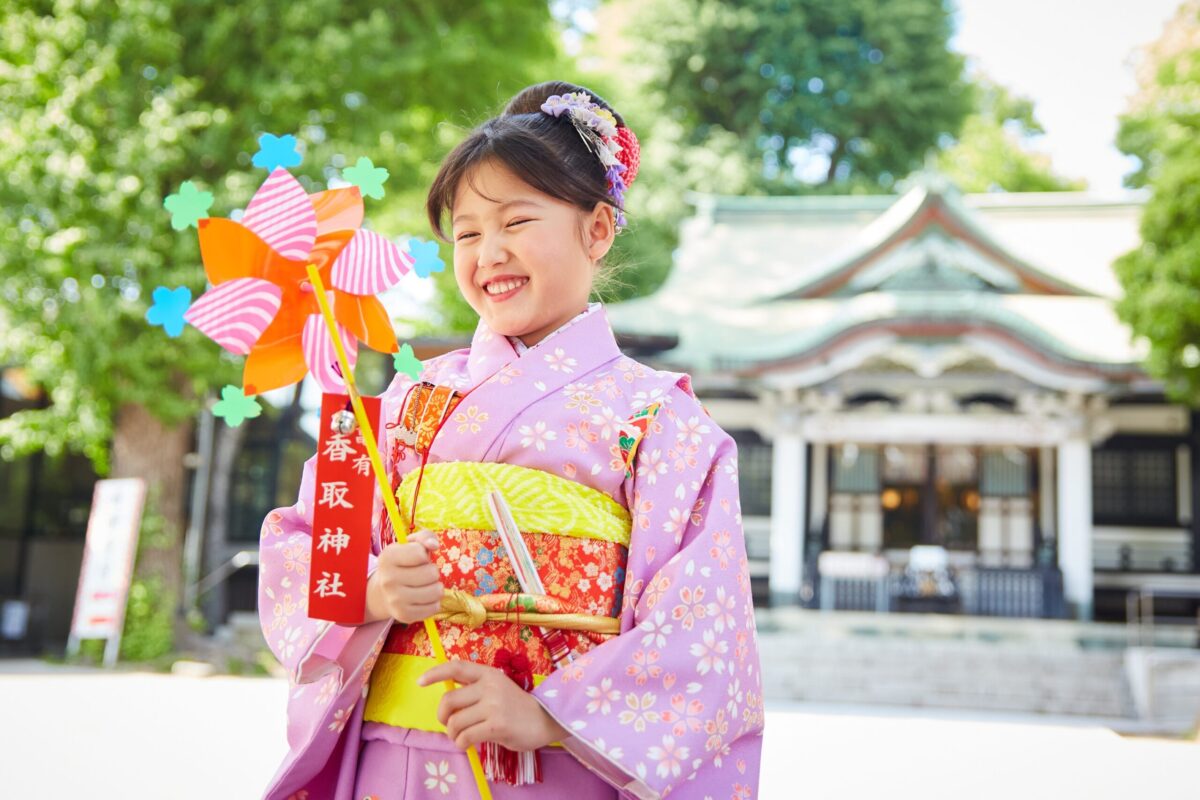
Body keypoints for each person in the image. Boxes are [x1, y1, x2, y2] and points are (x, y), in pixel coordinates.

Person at [258, 80, 764, 800]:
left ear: (597, 230)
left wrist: (550, 716)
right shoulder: (406, 400)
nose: (487, 252)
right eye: (466, 232)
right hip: (391, 765)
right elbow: (307, 546)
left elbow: (702, 636)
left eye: (515, 222)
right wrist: (370, 590)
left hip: (562, 766)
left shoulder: (663, 423)